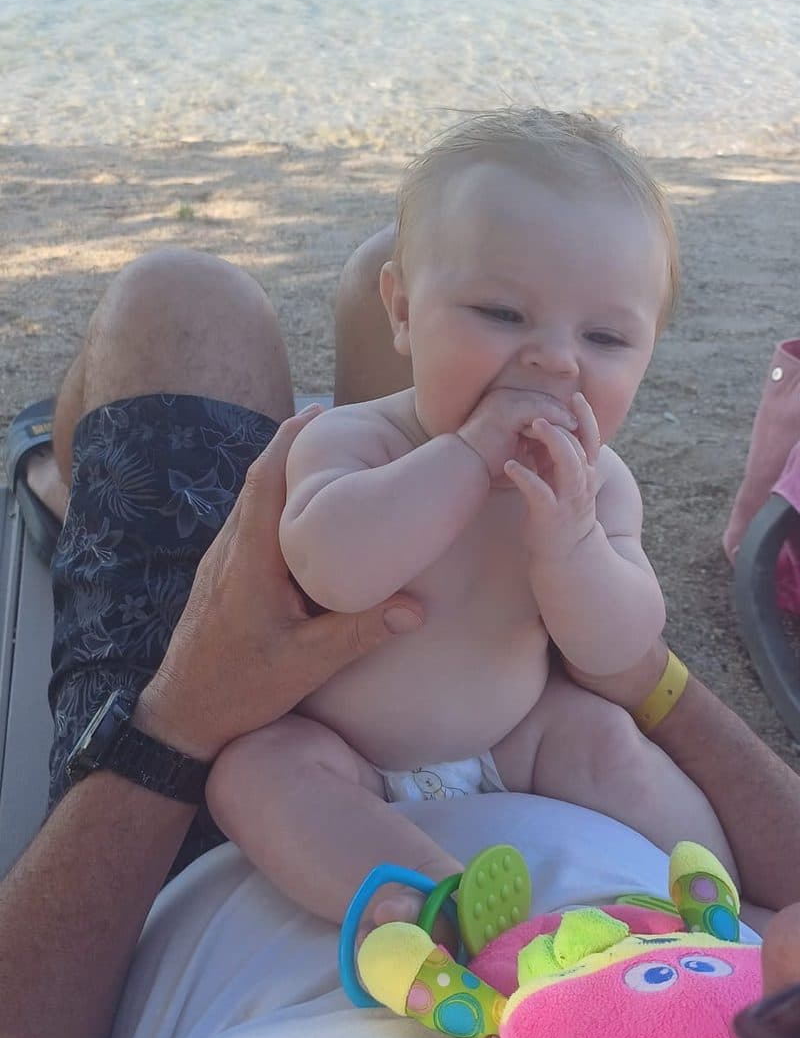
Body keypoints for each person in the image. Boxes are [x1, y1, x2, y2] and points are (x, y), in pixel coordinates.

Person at [2, 243, 799, 1038]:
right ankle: (397, 391)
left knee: (183, 305)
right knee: (415, 269)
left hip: (208, 810)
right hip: (542, 744)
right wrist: (634, 677)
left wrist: (181, 713)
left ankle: (62, 473)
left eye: (608, 339)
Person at [206, 109, 734, 935]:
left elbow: (616, 646)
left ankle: (718, 905)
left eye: (604, 336)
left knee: (611, 743)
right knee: (251, 775)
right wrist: (462, 461)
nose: (556, 359)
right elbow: (332, 570)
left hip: (518, 734)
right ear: (405, 310)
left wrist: (573, 543)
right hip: (348, 748)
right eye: (501, 313)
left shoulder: (602, 486)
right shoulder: (358, 438)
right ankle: (427, 899)